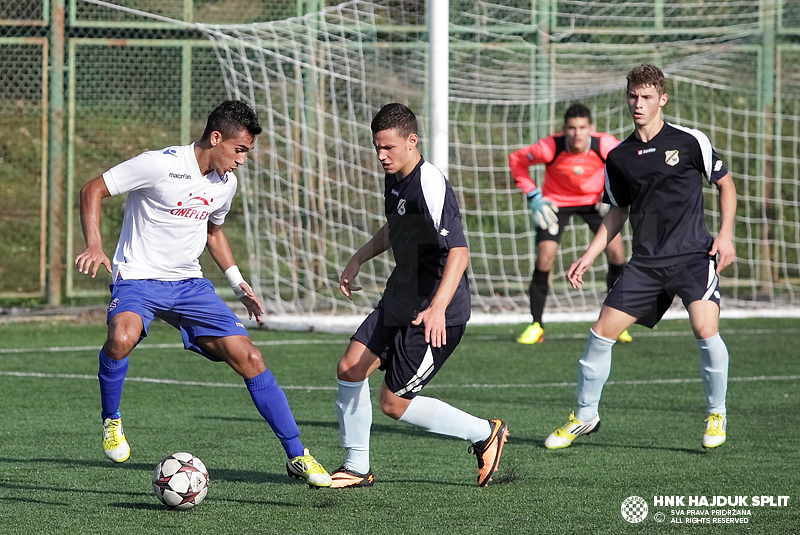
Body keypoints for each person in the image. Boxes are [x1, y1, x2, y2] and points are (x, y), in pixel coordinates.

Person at [74, 100, 332, 487]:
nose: (242, 160)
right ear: (216, 138)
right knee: (121, 338)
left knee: (251, 358)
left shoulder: (226, 183)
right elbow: (91, 189)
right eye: (239, 150)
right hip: (139, 279)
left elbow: (213, 231)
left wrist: (236, 281)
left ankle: (298, 455)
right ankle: (112, 420)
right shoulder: (159, 165)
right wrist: (95, 245)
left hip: (190, 285)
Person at [544, 64, 736, 450]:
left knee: (704, 329)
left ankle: (717, 412)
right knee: (600, 334)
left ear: (662, 99)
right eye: (633, 95)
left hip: (692, 257)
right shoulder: (619, 156)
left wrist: (726, 235)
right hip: (646, 264)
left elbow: (726, 185)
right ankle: (585, 416)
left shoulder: (689, 141)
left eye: (647, 97)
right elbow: (617, 211)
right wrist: (588, 254)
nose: (639, 103)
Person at [330, 103, 508, 488]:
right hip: (400, 298)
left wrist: (438, 308)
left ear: (412, 141)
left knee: (393, 404)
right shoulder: (395, 176)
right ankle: (356, 467)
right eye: (377, 147)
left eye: (388, 148)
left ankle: (484, 432)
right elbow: (396, 227)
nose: (381, 156)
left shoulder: (429, 183)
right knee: (349, 368)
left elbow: (459, 252)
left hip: (434, 310)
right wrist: (357, 259)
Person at [509, 104, 631, 345]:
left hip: (594, 202)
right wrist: (533, 195)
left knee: (617, 254)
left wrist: (609, 192)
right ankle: (536, 325)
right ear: (564, 129)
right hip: (556, 203)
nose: (577, 133)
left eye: (582, 128)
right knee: (544, 258)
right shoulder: (549, 147)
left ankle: (618, 322)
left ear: (591, 129)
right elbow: (517, 160)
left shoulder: (605, 145)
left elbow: (627, 165)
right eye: (572, 128)